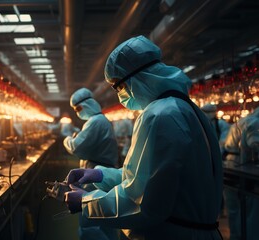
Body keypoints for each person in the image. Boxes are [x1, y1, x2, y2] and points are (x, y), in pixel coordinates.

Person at [64, 35, 223, 239]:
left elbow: (142, 202)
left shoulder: (159, 115)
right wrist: (100, 175)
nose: (120, 95)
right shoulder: (184, 108)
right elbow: (148, 177)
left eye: (118, 87)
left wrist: (86, 202)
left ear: (135, 78)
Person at [63, 87, 119, 240]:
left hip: (95, 175)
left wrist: (67, 139)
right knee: (104, 220)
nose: (77, 112)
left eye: (78, 108)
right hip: (99, 173)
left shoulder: (95, 122)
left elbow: (77, 147)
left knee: (91, 221)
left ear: (86, 105)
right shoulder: (98, 121)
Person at [223, 108, 259, 240]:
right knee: (249, 209)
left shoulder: (243, 121)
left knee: (233, 208)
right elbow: (255, 144)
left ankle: (235, 235)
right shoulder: (254, 123)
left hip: (230, 163)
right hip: (241, 165)